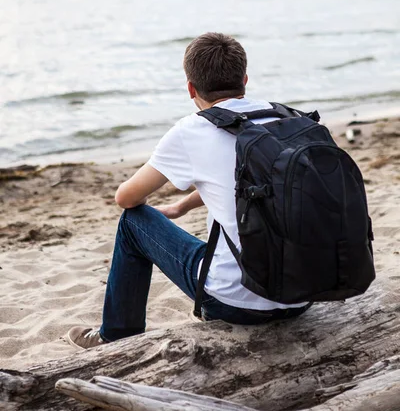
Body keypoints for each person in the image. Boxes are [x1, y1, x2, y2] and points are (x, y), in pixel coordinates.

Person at [67, 32, 311, 350]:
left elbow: (125, 198)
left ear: (191, 88)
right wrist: (182, 207)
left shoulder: (192, 130)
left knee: (133, 222)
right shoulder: (286, 119)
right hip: (305, 293)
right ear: (245, 79)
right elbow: (254, 185)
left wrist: (167, 201)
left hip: (236, 303)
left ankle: (114, 336)